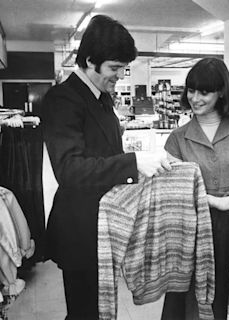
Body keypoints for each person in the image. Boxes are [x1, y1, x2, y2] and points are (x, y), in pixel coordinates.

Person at [42, 15, 171, 320]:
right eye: (114, 68)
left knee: (100, 308)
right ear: (90, 61)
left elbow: (104, 152)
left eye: (123, 68)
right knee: (85, 311)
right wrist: (132, 162)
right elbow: (69, 169)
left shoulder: (102, 98)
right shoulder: (63, 99)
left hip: (106, 225)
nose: (120, 75)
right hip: (81, 230)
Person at [161, 57, 229, 320]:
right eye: (191, 90)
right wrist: (213, 200)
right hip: (194, 227)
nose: (195, 98)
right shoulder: (177, 138)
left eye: (204, 92)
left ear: (221, 92)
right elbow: (174, 189)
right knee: (192, 296)